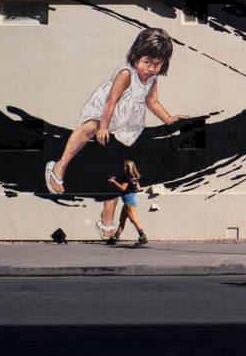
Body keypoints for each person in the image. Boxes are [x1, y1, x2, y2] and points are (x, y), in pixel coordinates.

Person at [42, 28, 188, 238]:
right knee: (90, 127)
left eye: (157, 64)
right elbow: (111, 101)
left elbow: (152, 102)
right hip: (107, 113)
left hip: (127, 123)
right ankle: (60, 166)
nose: (151, 68)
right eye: (147, 62)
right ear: (136, 57)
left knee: (118, 169)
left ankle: (107, 220)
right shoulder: (126, 74)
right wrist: (103, 127)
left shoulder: (152, 79)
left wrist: (169, 119)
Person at [108, 160, 147, 245]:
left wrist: (113, 182)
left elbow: (123, 188)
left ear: (128, 167)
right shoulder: (133, 176)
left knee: (134, 219)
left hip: (128, 200)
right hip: (129, 200)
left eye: (125, 166)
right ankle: (115, 238)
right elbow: (138, 188)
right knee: (122, 220)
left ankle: (143, 236)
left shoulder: (127, 176)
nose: (123, 168)